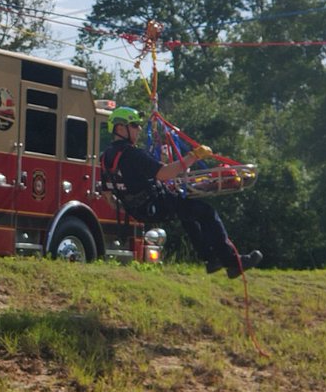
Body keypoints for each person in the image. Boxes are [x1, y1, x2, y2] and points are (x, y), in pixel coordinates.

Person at [101, 106, 262, 277]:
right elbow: (164, 173)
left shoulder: (105, 157)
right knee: (207, 212)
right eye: (134, 125)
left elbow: (107, 195)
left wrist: (129, 206)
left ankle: (211, 259)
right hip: (155, 204)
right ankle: (233, 263)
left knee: (188, 214)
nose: (139, 129)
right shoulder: (132, 154)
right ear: (120, 128)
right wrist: (193, 156)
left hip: (140, 210)